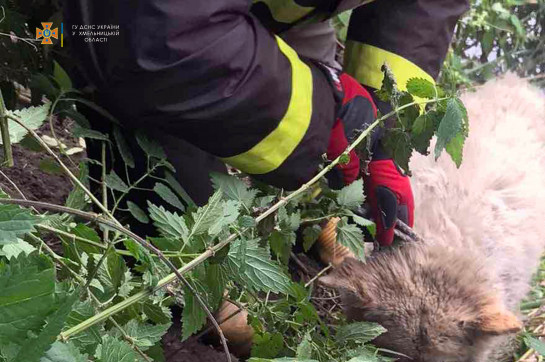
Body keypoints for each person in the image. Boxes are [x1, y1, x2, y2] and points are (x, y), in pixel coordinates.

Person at [60, 0, 470, 247]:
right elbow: (153, 38)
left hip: (237, 16)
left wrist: (383, 126)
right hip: (97, 22)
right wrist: (331, 112)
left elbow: (421, 13)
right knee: (182, 239)